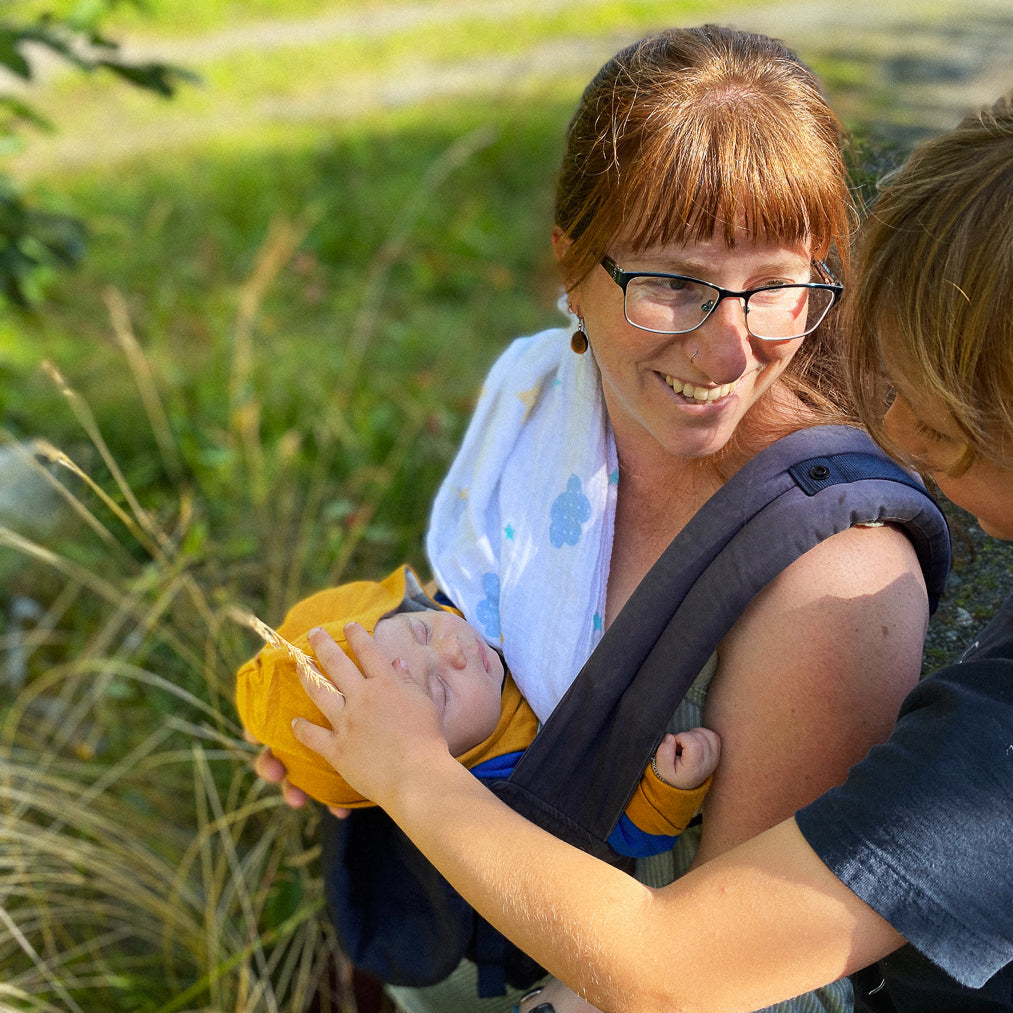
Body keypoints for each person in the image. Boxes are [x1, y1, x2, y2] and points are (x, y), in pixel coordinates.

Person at [249, 24, 936, 1013]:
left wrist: (407, 776)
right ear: (568, 265)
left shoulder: (829, 574)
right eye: (668, 284)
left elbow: (737, 978)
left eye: (774, 286)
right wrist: (345, 722)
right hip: (465, 937)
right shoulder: (542, 403)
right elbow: (473, 610)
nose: (723, 352)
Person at [236, 564, 719, 854]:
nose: (455, 651)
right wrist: (666, 791)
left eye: (421, 630)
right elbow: (608, 833)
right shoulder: (506, 794)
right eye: (441, 692)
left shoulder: (460, 605)